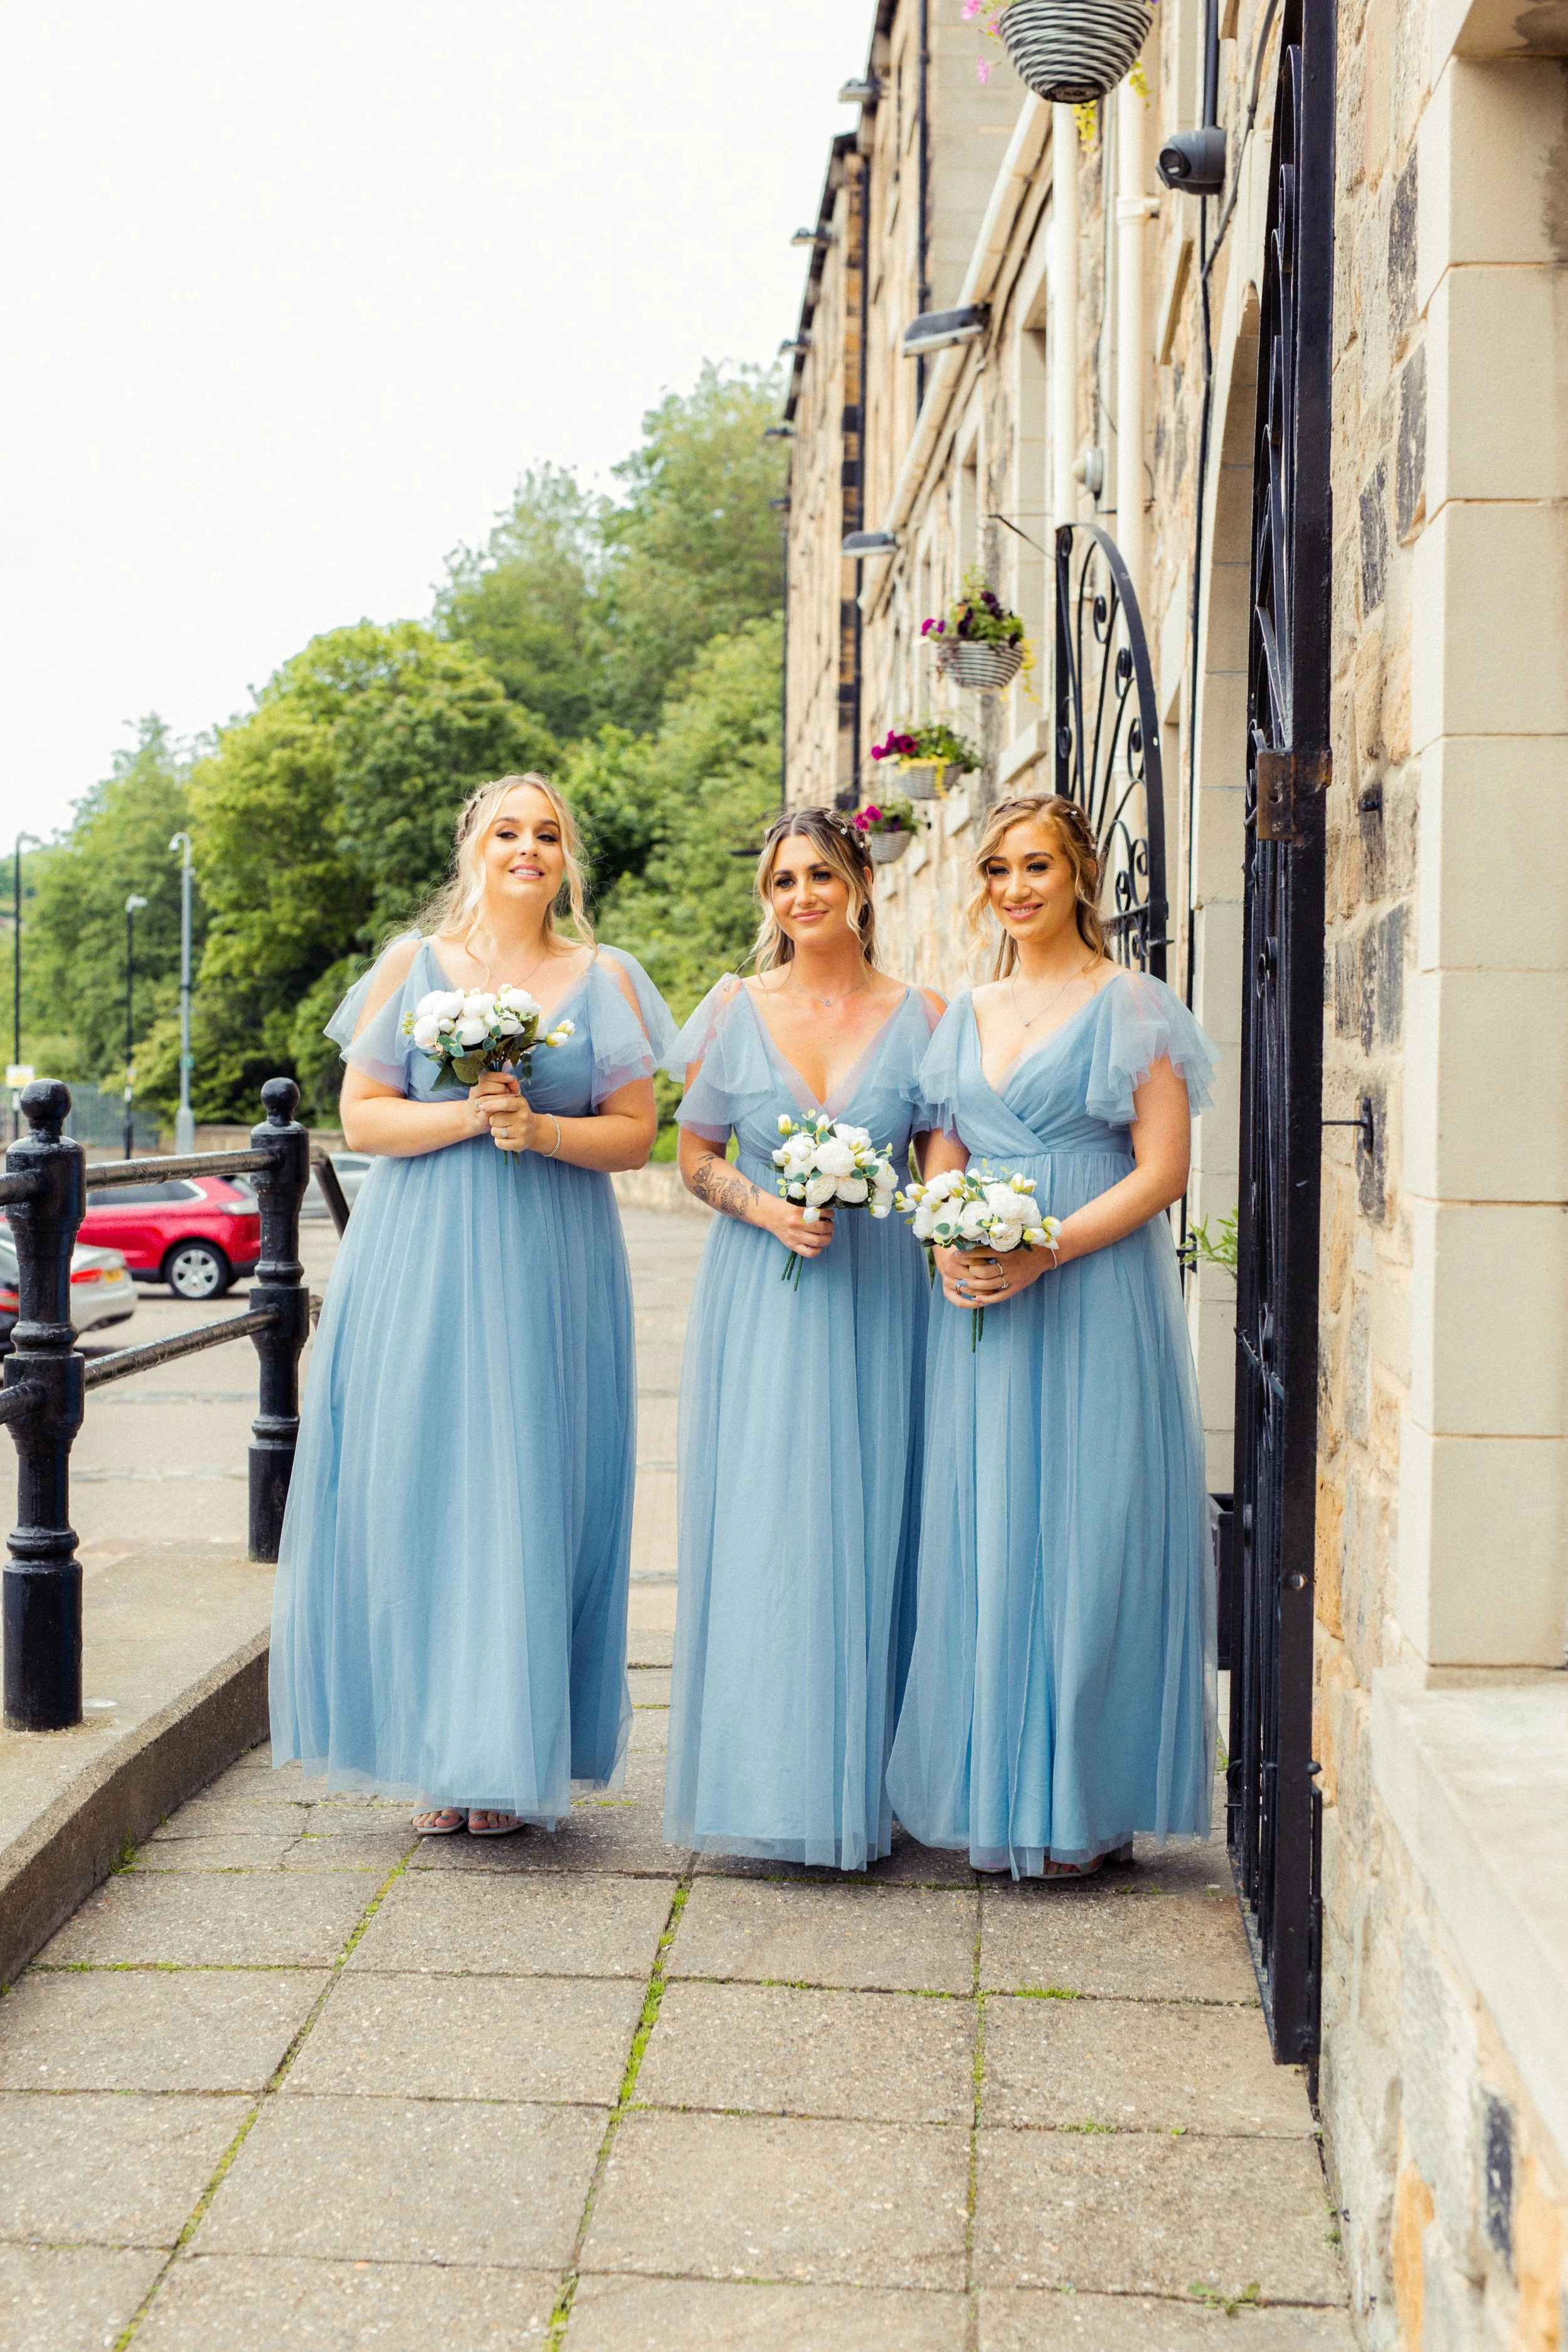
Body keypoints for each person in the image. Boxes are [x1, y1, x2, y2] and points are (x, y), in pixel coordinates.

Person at [269, 772, 675, 1838]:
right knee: (429, 1481)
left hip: (552, 1258)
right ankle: (438, 1746)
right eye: (508, 831)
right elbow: (361, 1117)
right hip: (424, 1259)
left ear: (567, 857)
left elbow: (636, 1133)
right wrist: (469, 1117)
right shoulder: (414, 967)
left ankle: (508, 1751)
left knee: (535, 1488)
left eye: (548, 833)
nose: (529, 848)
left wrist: (540, 1129)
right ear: (475, 848)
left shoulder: (607, 976)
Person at [886, 793, 1220, 1879]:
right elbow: (940, 1145)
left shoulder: (1133, 1002)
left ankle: (1078, 1794)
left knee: (1089, 1527)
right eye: (997, 869)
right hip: (982, 1289)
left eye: (1037, 865)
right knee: (990, 1526)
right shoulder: (965, 1009)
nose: (1017, 887)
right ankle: (994, 1786)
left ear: (1080, 873)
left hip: (1090, 1282)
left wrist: (1046, 1249)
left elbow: (1163, 1170)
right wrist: (949, 1233)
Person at [664, 807, 945, 1869]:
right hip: (766, 1290)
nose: (801, 897)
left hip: (879, 1290)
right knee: (775, 1516)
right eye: (783, 882)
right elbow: (691, 1155)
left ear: (862, 882)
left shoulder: (923, 1013)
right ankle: (774, 1772)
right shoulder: (736, 1008)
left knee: (878, 1509)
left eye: (820, 875)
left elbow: (941, 1158)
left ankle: (878, 1769)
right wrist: (763, 1205)